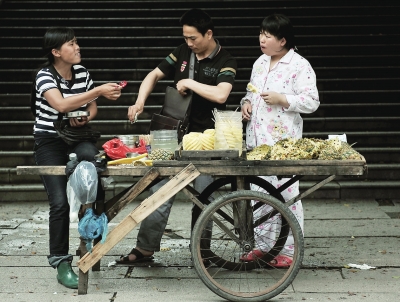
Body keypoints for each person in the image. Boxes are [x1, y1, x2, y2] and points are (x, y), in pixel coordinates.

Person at [118, 8, 237, 264]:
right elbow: (154, 74)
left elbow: (221, 95)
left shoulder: (225, 60)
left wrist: (190, 84)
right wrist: (139, 101)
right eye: (185, 38)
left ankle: (201, 252)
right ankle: (145, 249)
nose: (189, 43)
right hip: (172, 135)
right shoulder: (182, 52)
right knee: (159, 189)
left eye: (193, 38)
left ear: (209, 34)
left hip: (206, 141)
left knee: (205, 197)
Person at [33, 27, 122, 289]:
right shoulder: (44, 76)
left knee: (95, 167)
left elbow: (91, 108)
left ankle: (92, 230)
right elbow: (60, 105)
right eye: (71, 44)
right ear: (56, 51)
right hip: (49, 142)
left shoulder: (82, 73)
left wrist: (86, 116)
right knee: (59, 204)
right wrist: (98, 92)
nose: (77, 47)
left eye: (76, 42)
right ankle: (61, 262)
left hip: (79, 137)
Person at [240, 14, 319, 267]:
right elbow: (250, 91)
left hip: (283, 143)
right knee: (260, 195)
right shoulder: (260, 62)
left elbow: (311, 101)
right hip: (257, 142)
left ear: (283, 40)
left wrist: (283, 99)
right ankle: (264, 247)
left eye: (268, 35)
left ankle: (289, 249)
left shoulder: (299, 65)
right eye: (261, 33)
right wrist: (246, 104)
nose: (262, 39)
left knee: (287, 196)